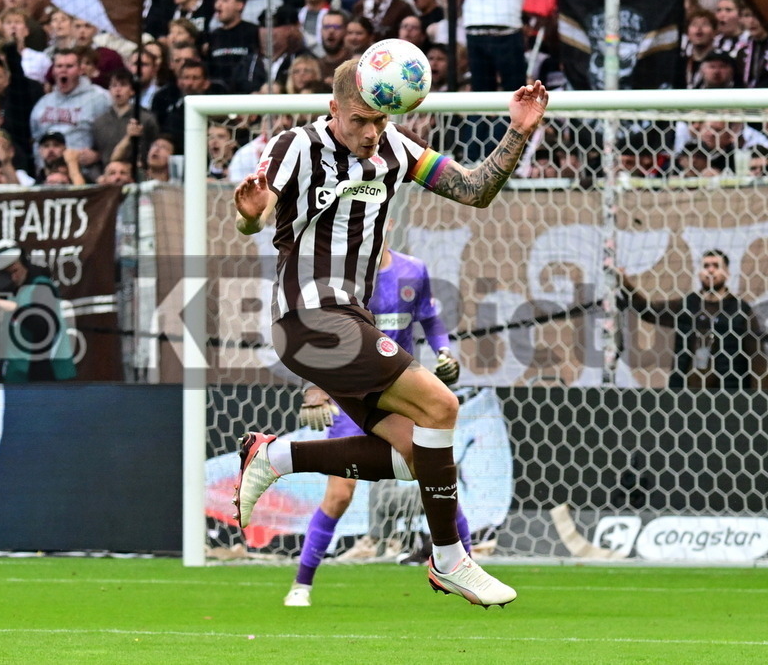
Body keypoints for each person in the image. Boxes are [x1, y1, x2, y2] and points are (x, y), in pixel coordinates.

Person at [231, 58, 548, 607]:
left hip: (351, 320)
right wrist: (249, 216)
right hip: (310, 317)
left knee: (416, 456)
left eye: (380, 119)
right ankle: (449, 560)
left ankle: (276, 457)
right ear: (334, 109)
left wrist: (518, 131)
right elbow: (258, 213)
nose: (370, 132)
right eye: (359, 120)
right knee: (442, 406)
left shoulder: (396, 148)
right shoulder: (296, 146)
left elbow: (474, 190)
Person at [285, 241, 466, 607]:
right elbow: (318, 335)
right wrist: (313, 388)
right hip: (352, 395)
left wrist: (444, 351)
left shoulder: (412, 269)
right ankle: (301, 584)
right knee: (339, 495)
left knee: (435, 478)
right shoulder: (341, 278)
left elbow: (430, 319)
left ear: (385, 222)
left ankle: (467, 568)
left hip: (397, 394)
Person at [619, 249, 768, 390]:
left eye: (716, 266)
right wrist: (625, 284)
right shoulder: (687, 305)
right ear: (699, 272)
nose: (710, 270)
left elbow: (756, 356)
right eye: (706, 266)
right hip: (687, 392)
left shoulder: (740, 310)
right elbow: (649, 312)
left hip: (728, 392)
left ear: (727, 273)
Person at [0, 239, 76, 383]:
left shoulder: (41, 287)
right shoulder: (14, 292)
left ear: (24, 263)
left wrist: (14, 309)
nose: (13, 277)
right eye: (7, 274)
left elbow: (43, 327)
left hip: (45, 374)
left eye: (15, 270)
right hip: (18, 374)